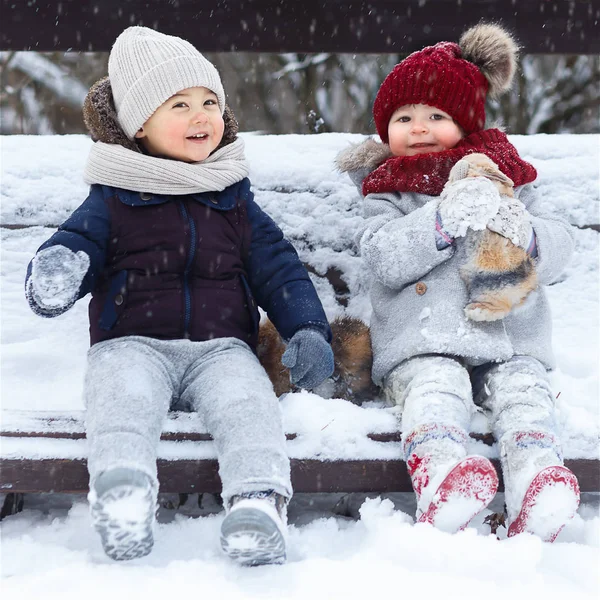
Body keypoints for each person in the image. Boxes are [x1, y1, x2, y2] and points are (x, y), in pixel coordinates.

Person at [25, 26, 334, 564]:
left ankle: (258, 503)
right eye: (180, 104)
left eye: (210, 102)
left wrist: (305, 327)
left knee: (248, 405)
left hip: (222, 349)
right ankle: (124, 495)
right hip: (130, 344)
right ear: (138, 125)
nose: (201, 116)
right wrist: (59, 271)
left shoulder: (233, 199)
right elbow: (74, 246)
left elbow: (279, 268)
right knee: (122, 401)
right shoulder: (113, 198)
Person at [337, 23, 579, 541]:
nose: (418, 127)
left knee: (525, 394)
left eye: (436, 116)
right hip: (422, 343)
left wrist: (526, 234)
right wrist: (441, 220)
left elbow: (561, 247)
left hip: (510, 340)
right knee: (435, 389)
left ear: (465, 123)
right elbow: (384, 258)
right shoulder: (386, 192)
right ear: (386, 130)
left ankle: (538, 481)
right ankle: (442, 475)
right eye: (404, 117)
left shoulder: (504, 179)